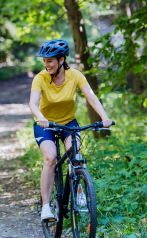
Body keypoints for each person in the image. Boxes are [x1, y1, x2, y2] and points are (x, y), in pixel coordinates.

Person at [29, 39, 112, 221]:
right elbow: (33, 104)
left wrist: (104, 117)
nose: (46, 64)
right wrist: (41, 118)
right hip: (45, 125)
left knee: (76, 156)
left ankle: (79, 190)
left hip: (68, 123)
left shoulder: (75, 75)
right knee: (51, 158)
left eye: (50, 60)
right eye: (44, 60)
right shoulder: (40, 78)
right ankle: (45, 207)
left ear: (61, 60)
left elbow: (91, 96)